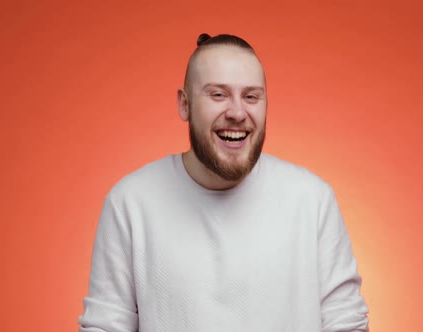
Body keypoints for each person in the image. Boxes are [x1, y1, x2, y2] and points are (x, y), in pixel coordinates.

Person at [78, 33, 369, 332]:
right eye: (218, 94)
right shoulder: (130, 202)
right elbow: (105, 326)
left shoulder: (312, 200)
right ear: (184, 105)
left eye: (251, 96)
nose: (237, 112)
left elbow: (345, 323)